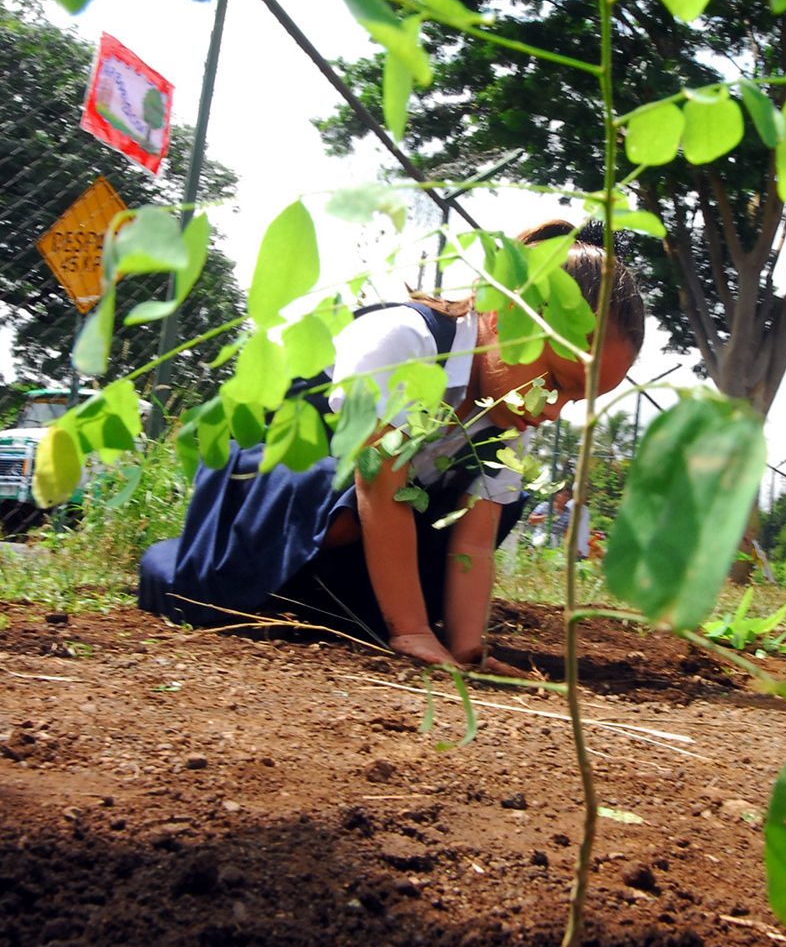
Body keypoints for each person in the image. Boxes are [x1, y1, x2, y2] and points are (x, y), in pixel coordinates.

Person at [138, 221, 644, 672]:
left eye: (578, 399)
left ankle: (336, 609)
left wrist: (467, 647)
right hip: (270, 487)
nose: (553, 409)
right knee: (341, 502)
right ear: (507, 311)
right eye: (557, 380)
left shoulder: (510, 416)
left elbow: (472, 543)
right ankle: (215, 574)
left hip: (365, 522)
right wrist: (413, 630)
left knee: (500, 504)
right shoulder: (403, 341)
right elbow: (378, 488)